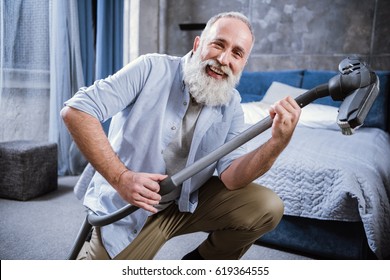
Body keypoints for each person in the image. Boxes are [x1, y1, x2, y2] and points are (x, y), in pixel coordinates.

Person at [61, 11, 301, 260]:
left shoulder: (232, 105)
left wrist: (276, 143)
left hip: (184, 205)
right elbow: (76, 111)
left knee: (266, 207)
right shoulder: (150, 68)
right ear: (198, 45)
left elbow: (231, 177)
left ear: (243, 63)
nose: (223, 58)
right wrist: (121, 178)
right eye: (218, 44)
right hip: (129, 206)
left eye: (236, 53)